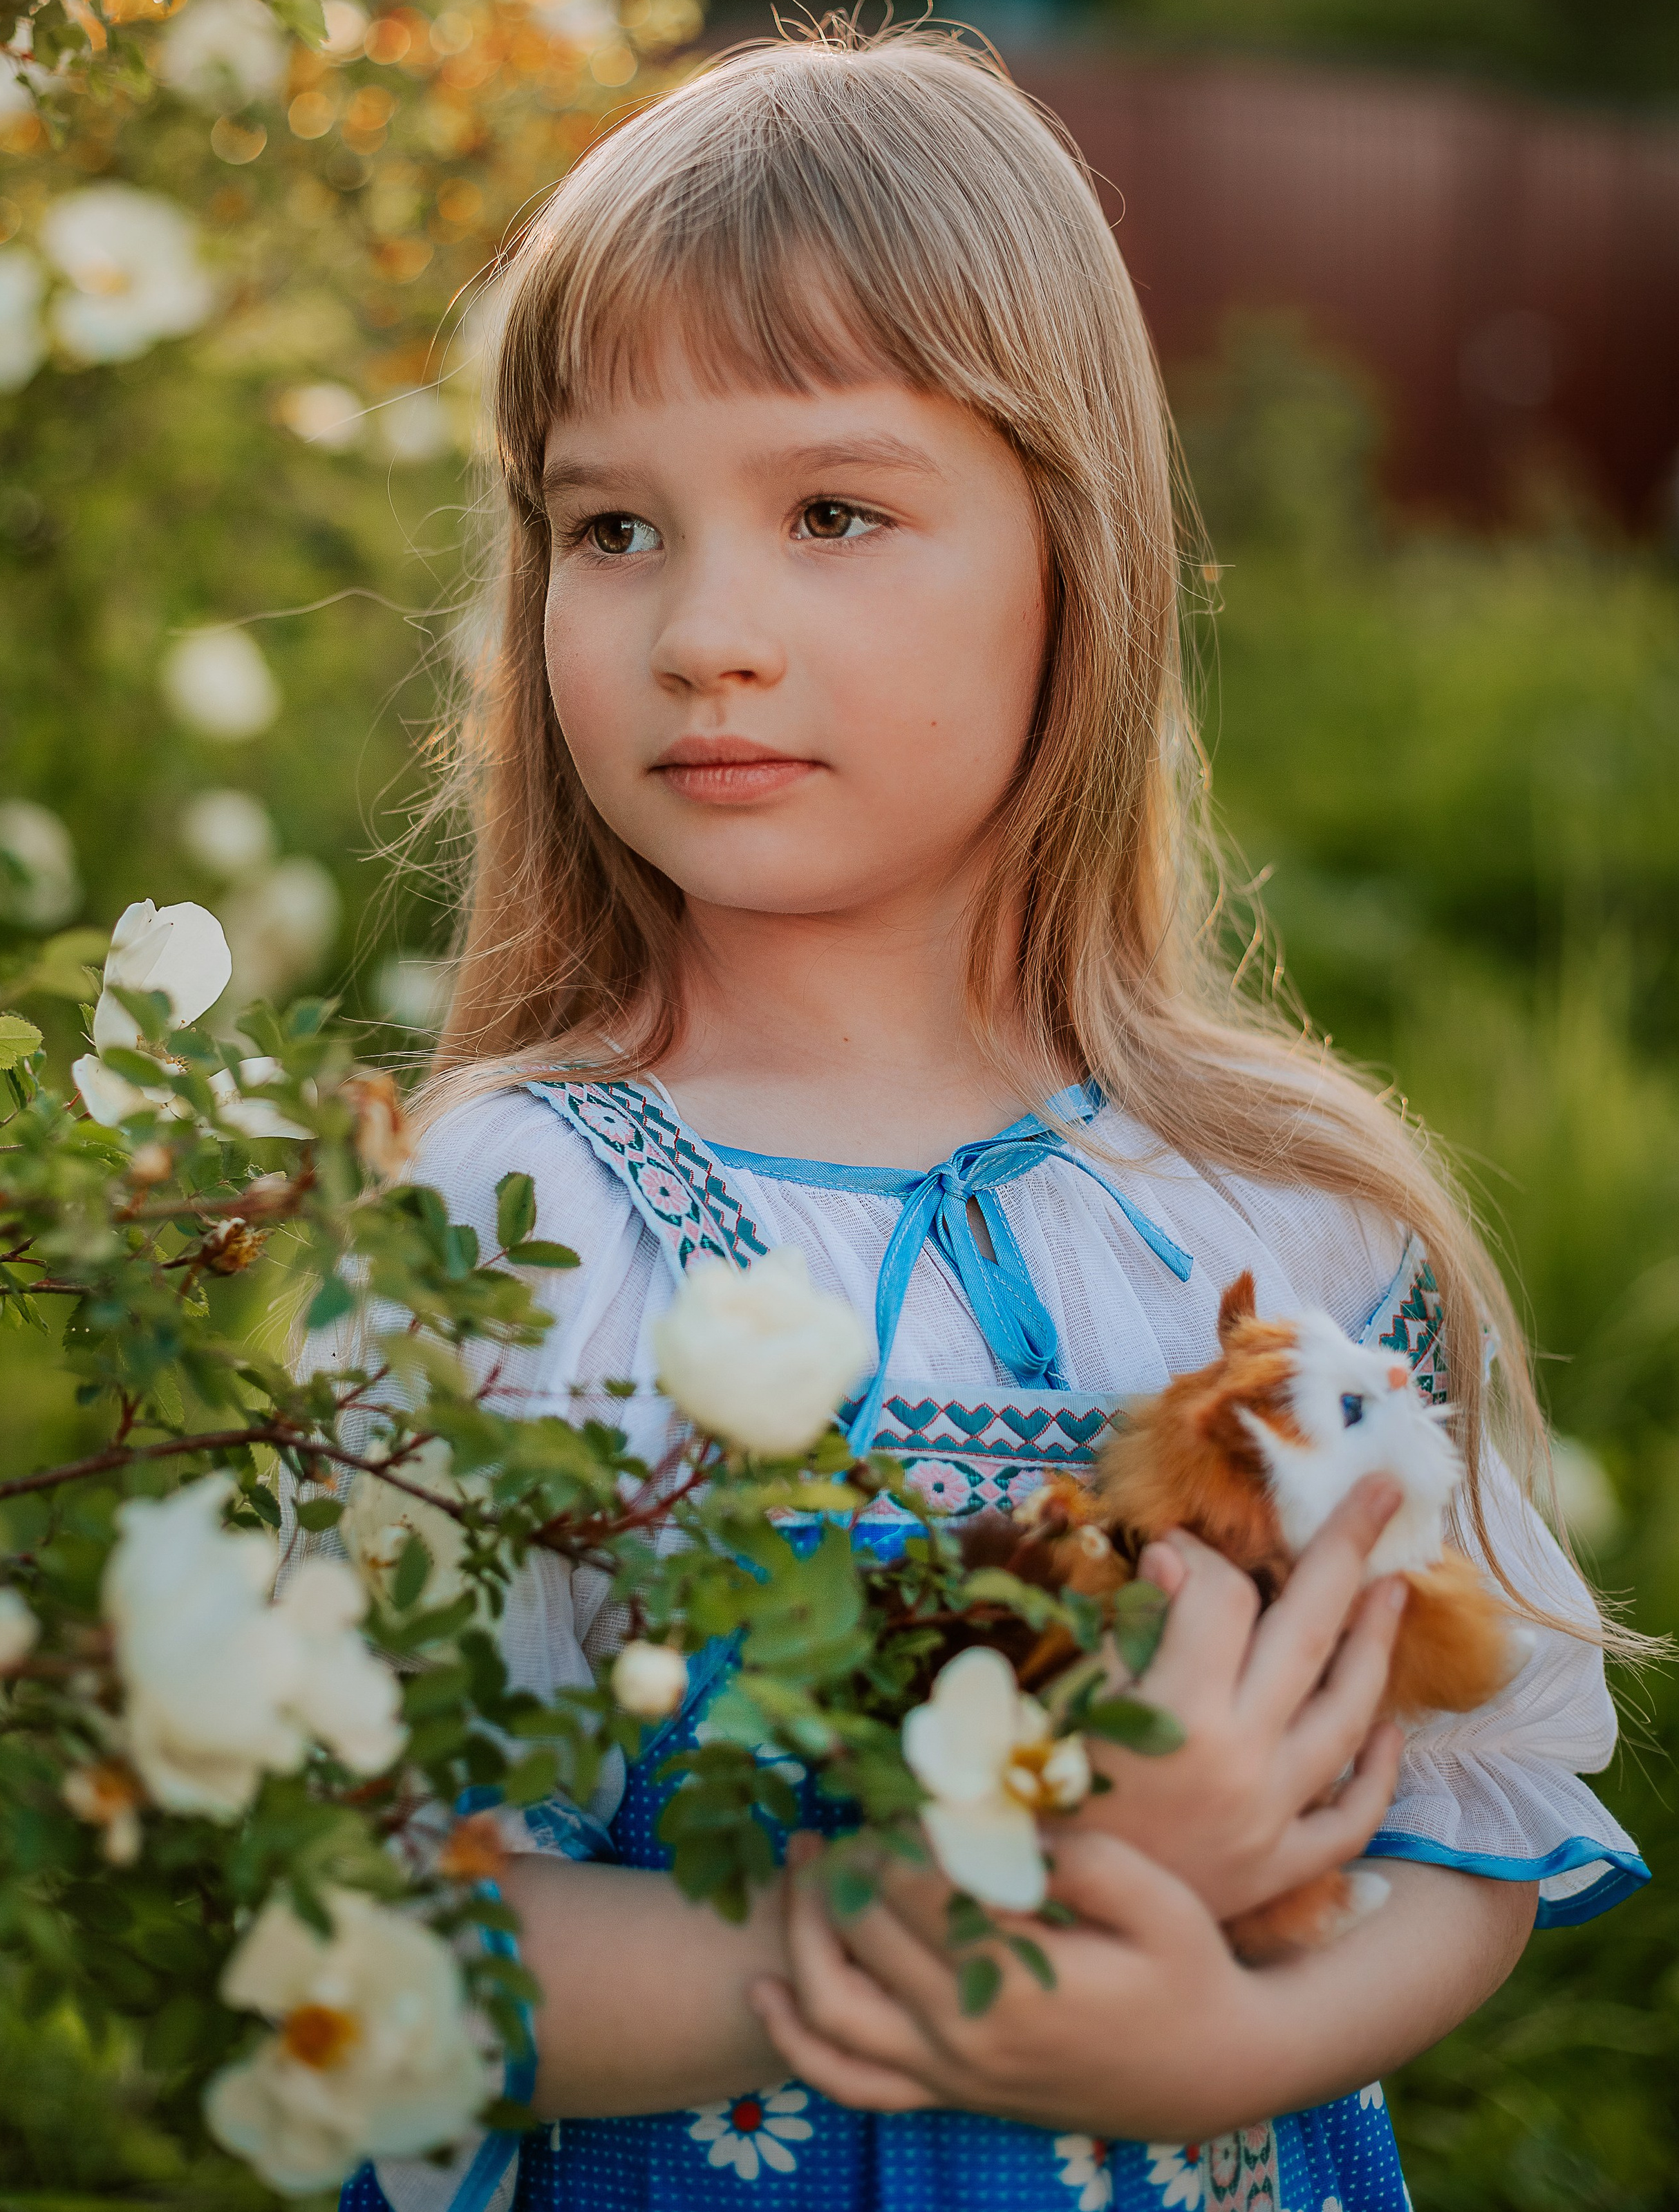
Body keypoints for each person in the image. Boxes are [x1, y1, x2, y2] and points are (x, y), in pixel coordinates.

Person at [319, 30, 1647, 2212]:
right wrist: (952, 1934)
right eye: (611, 526)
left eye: (834, 511)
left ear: (1074, 553)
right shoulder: (517, 1211)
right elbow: (368, 1930)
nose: (703, 634)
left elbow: (1470, 1827)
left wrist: (1227, 2036)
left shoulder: (1289, 1216)